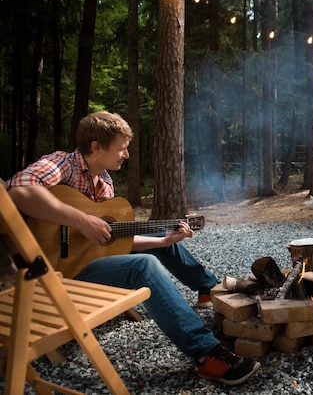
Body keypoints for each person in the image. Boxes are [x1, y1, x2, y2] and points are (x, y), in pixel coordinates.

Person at [6, 111, 260, 386]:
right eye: (122, 148)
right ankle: (206, 354)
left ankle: (208, 288)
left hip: (88, 262)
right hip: (54, 272)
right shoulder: (62, 163)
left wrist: (162, 242)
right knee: (143, 266)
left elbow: (111, 243)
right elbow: (18, 190)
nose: (126, 155)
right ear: (96, 147)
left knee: (160, 236)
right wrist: (81, 219)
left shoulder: (104, 182)